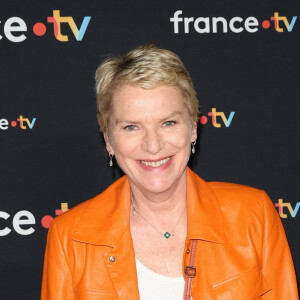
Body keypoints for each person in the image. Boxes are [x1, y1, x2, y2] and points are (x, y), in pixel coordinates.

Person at [41, 45, 298, 300]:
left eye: (168, 123)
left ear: (193, 128)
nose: (153, 146)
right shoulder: (71, 238)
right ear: (108, 139)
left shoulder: (254, 216)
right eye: (131, 127)